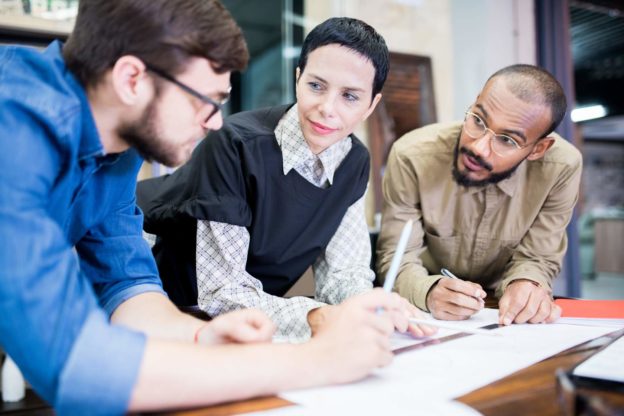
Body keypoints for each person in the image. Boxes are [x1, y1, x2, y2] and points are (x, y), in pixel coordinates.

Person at [0, 2, 416, 414]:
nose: (216, 122)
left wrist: (200, 336)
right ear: (131, 79)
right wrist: (317, 360)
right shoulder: (12, 130)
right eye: (206, 100)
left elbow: (126, 287)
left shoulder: (120, 150)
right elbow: (79, 366)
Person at [137, 17, 435, 341]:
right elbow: (223, 294)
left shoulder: (354, 161)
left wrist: (371, 307)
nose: (326, 108)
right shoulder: (235, 145)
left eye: (350, 96)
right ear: (298, 79)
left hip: (242, 322)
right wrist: (316, 316)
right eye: (316, 86)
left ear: (371, 105)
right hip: (159, 298)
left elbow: (342, 275)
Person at [377, 64, 582, 326]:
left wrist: (527, 282)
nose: (478, 148)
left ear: (538, 149)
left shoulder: (561, 168)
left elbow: (537, 258)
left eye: (507, 140)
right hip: (427, 312)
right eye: (478, 120)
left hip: (504, 314)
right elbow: (396, 257)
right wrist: (426, 291)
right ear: (474, 104)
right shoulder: (411, 156)